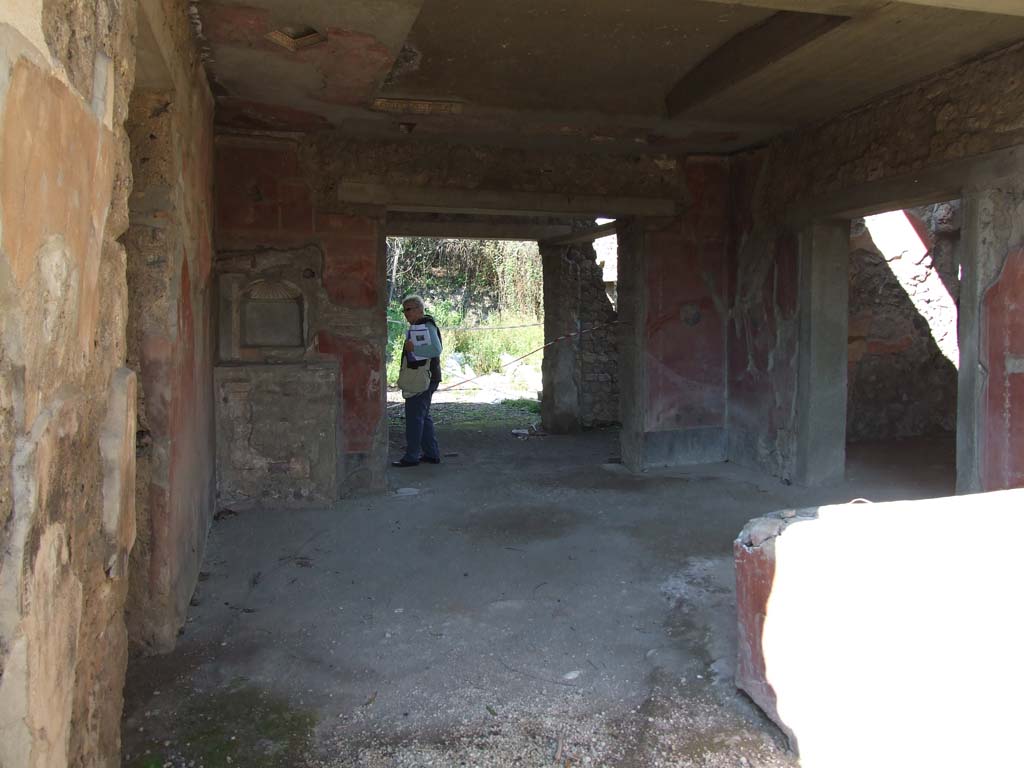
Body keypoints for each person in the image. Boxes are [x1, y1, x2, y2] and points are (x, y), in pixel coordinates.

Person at [393, 294, 443, 467]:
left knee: (415, 418)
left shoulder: (426, 325)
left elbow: (436, 350)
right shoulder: (420, 325)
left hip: (423, 378)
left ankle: (412, 456)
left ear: (420, 309)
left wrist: (414, 348)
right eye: (404, 310)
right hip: (426, 377)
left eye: (409, 309)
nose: (405, 313)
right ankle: (431, 453)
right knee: (423, 416)